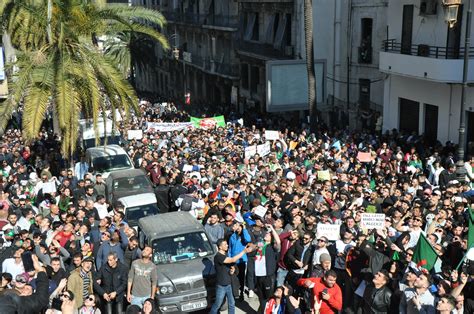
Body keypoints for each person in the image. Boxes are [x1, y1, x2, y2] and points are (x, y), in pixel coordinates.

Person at [209, 238, 253, 314]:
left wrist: (232, 271)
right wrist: (244, 251)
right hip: (221, 285)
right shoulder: (218, 256)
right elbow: (232, 260)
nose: (227, 245)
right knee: (217, 304)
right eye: (225, 244)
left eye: (227, 244)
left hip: (229, 284)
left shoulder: (225, 254)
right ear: (220, 247)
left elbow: (228, 267)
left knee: (232, 303)